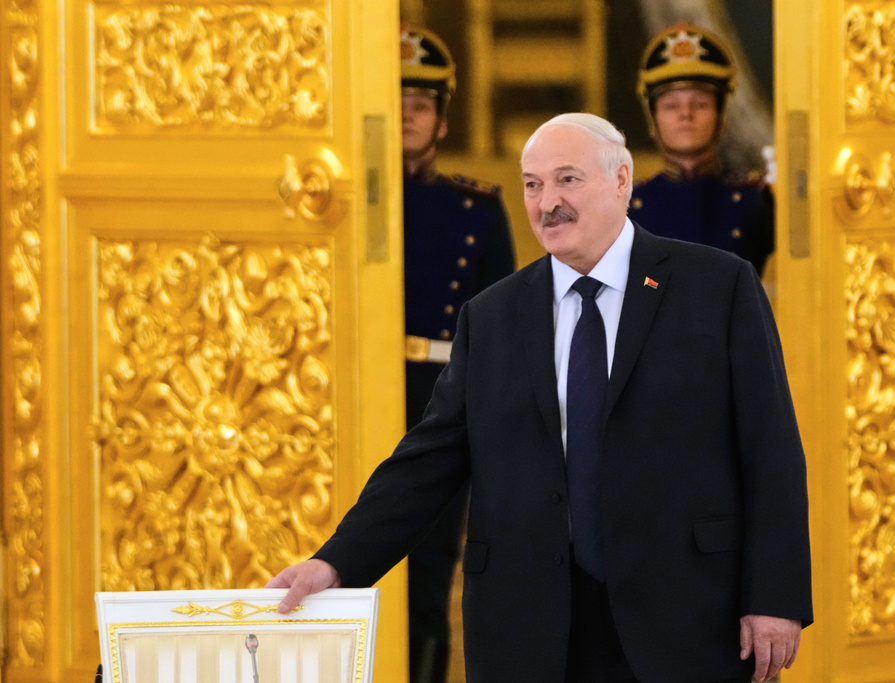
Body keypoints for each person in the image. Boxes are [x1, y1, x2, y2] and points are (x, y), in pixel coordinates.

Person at [268, 113, 812, 683]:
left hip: (688, 620)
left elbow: (770, 450)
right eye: (533, 184)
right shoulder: (492, 316)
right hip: (530, 632)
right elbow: (426, 463)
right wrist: (333, 563)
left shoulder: (717, 286)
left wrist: (774, 596)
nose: (547, 201)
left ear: (621, 179)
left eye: (567, 180)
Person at [396, 24, 517, 683]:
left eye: (422, 103)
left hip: (437, 405)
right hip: (347, 401)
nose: (410, 114)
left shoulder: (476, 209)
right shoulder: (342, 204)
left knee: (428, 574)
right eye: (399, 102)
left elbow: (501, 332)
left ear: (441, 119)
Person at [630, 23, 775, 276]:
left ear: (722, 119)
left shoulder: (755, 203)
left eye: (700, 104)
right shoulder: (627, 208)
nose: (686, 114)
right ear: (652, 121)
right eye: (671, 106)